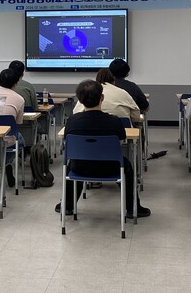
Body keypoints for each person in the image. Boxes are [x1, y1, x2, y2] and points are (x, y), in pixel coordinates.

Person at [55, 79, 150, 218]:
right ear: (102, 98)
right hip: (111, 168)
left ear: (80, 101)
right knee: (127, 166)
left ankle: (68, 206)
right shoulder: (114, 121)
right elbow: (122, 138)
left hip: (80, 169)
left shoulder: (72, 122)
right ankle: (133, 208)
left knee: (71, 164)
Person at [73, 68, 140, 122]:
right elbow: (136, 117)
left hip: (84, 132)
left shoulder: (88, 92)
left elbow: (75, 112)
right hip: (118, 133)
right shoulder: (123, 93)